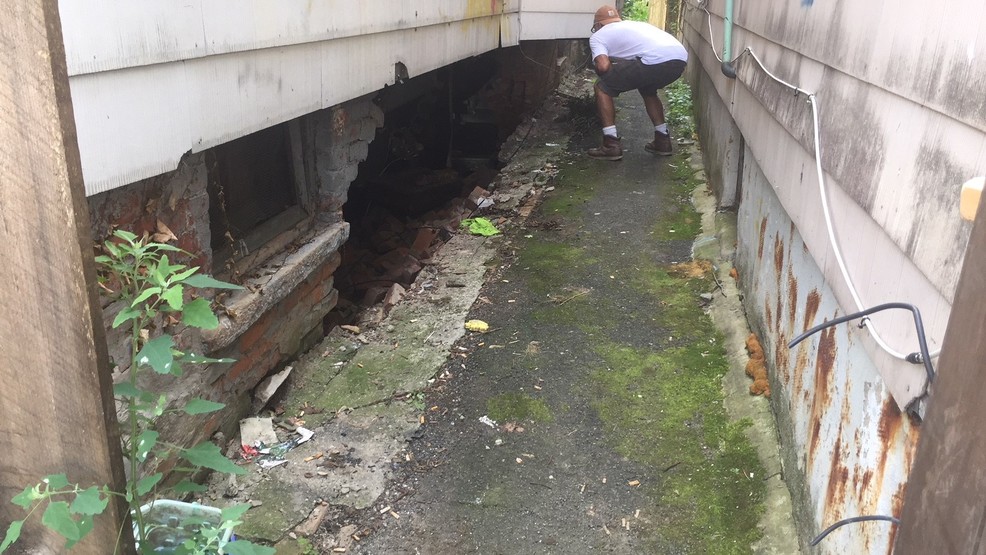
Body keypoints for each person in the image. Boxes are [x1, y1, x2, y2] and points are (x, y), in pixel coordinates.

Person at [587, 5, 688, 161]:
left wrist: (602, 71)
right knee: (647, 89)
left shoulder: (598, 36)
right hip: (679, 59)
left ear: (598, 25)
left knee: (602, 87)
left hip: (655, 59)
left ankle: (610, 144)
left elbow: (603, 65)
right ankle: (662, 140)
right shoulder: (634, 25)